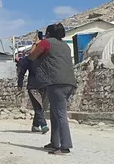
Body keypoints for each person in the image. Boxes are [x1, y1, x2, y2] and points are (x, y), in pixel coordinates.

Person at [28, 23, 78, 154]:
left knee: (60, 114)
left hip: (56, 82)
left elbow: (32, 56)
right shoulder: (65, 45)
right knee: (55, 113)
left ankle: (65, 146)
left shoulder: (46, 43)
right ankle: (55, 143)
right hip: (69, 82)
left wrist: (35, 43)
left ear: (48, 33)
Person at [17, 32, 48, 134]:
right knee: (38, 106)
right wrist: (20, 84)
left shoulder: (45, 58)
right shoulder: (29, 59)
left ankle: (35, 126)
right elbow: (22, 71)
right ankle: (43, 125)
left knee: (40, 107)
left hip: (44, 85)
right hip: (33, 86)